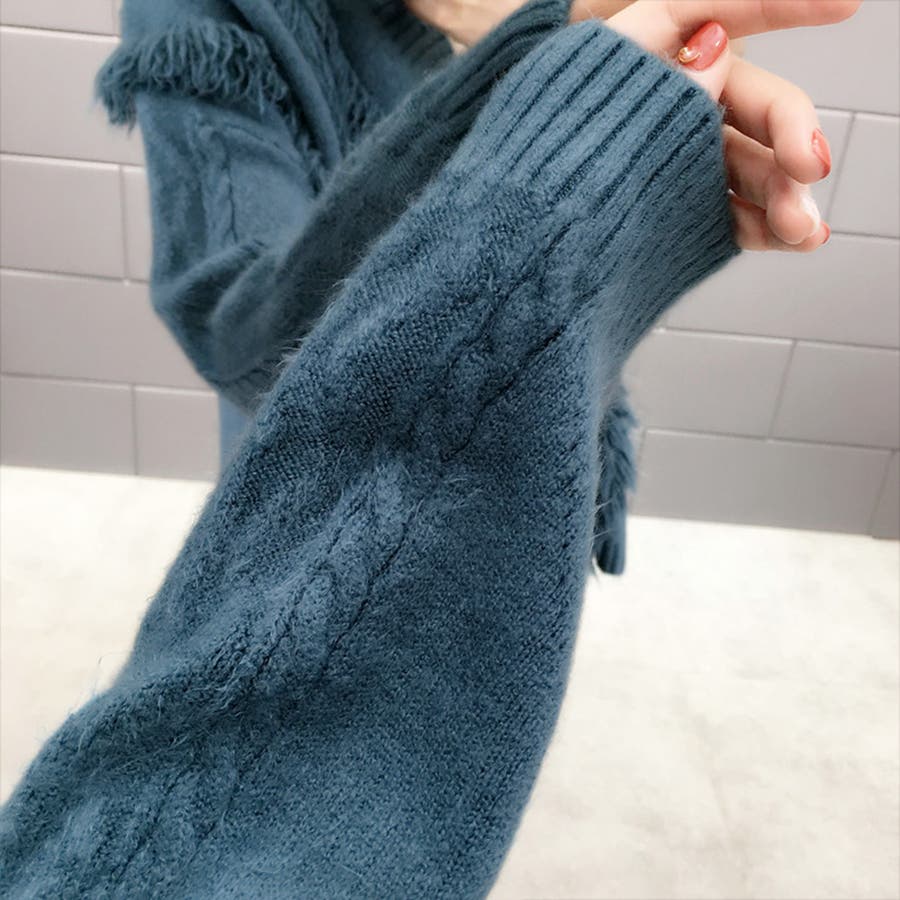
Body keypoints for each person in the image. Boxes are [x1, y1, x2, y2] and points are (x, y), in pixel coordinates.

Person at [0, 0, 856, 896]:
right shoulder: (214, 18)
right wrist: (528, 139)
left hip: (509, 459)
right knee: (275, 761)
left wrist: (592, 134)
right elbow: (236, 327)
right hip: (323, 467)